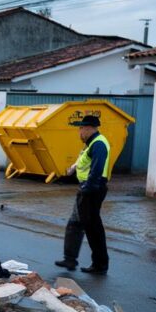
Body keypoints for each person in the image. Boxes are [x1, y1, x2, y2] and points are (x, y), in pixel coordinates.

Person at [56, 115, 110, 274]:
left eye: (81, 128)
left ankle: (99, 264)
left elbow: (97, 168)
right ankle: (70, 259)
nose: (79, 132)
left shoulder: (98, 143)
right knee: (78, 223)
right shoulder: (91, 144)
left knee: (92, 228)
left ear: (88, 128)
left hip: (92, 190)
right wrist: (72, 169)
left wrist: (87, 187)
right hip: (88, 189)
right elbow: (83, 161)